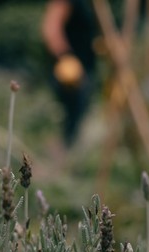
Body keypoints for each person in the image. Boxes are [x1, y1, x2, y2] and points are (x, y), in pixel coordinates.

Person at [41, 0, 98, 148]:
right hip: (69, 72)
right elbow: (51, 28)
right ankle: (58, 155)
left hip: (82, 69)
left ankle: (66, 154)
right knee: (67, 118)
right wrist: (65, 56)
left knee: (76, 118)